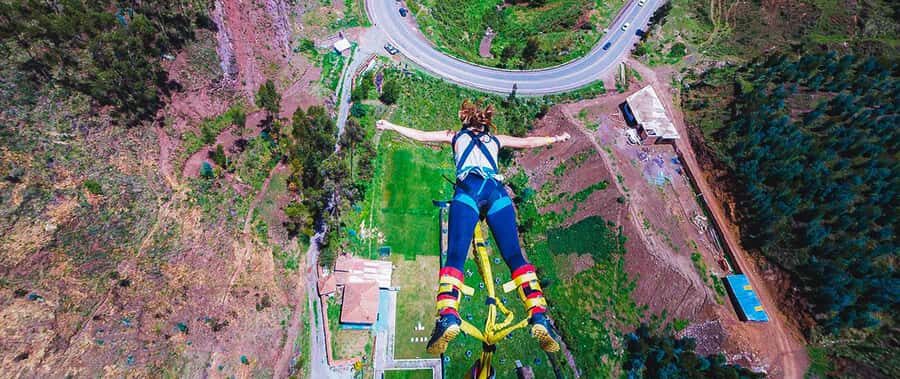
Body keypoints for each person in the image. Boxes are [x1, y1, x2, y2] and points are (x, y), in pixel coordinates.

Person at [376, 100, 571, 354]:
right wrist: (556, 138)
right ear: (485, 124)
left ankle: (448, 315)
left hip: (468, 191)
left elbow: (421, 136)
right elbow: (528, 142)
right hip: (496, 193)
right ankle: (538, 314)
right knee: (515, 255)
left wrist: (391, 126)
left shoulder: (454, 136)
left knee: (455, 257)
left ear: (464, 122)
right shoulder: (496, 140)